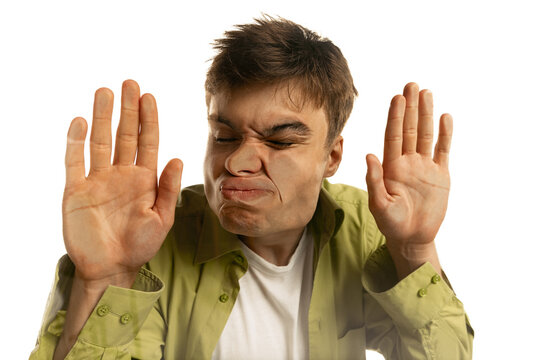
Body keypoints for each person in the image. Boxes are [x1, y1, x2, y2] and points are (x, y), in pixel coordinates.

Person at [30, 16, 473, 359]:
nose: (237, 162)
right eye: (223, 136)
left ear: (331, 157)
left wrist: (415, 251)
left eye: (279, 140)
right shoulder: (147, 238)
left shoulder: (366, 227)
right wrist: (105, 279)